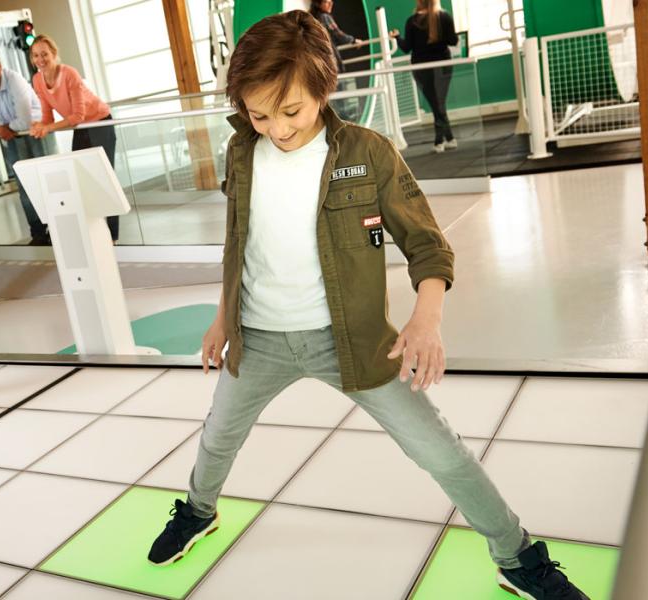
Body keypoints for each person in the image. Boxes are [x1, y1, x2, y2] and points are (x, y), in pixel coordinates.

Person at [144, 12, 589, 600]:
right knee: (218, 437)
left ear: (324, 90)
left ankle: (515, 554)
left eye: (291, 111)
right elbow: (238, 241)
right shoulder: (241, 152)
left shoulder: (369, 153)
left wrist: (425, 319)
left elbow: (428, 245)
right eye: (258, 114)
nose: (275, 129)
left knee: (440, 452)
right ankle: (200, 510)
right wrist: (223, 317)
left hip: (351, 341)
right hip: (260, 338)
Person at [27, 34, 120, 242]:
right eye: (35, 55)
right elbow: (47, 117)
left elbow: (78, 115)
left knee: (104, 178)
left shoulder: (69, 74)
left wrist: (48, 127)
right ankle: (92, 230)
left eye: (44, 54)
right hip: (81, 126)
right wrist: (40, 125)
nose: (40, 59)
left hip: (99, 121)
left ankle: (113, 235)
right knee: (78, 179)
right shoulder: (37, 80)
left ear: (54, 54)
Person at [0, 49, 52, 246]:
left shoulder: (14, 79)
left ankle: (58, 227)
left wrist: (2, 129)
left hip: (36, 131)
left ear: (0, 66)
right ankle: (38, 233)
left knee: (47, 180)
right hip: (13, 136)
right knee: (24, 187)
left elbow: (25, 120)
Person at [394, 0, 460, 153]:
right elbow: (453, 40)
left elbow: (406, 48)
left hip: (421, 67)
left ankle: (440, 141)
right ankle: (449, 138)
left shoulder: (412, 21)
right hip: (443, 65)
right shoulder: (444, 17)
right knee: (439, 103)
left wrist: (397, 37)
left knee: (436, 104)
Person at [309, 0, 362, 120]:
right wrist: (353, 40)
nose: (331, 4)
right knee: (339, 88)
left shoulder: (312, 19)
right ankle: (343, 118)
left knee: (331, 92)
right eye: (327, 2)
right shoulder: (325, 17)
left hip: (321, 63)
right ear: (319, 4)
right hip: (331, 61)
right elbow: (338, 34)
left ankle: (336, 118)